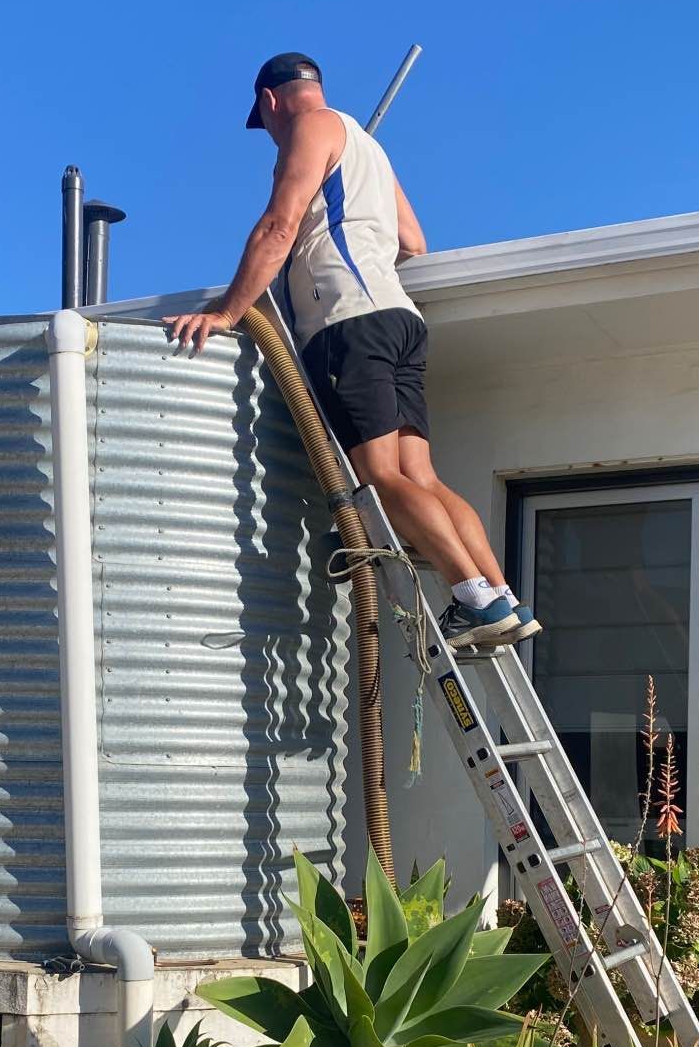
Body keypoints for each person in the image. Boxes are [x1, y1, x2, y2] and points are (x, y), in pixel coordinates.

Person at [166, 52, 540, 649]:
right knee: (421, 476)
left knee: (381, 477)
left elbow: (278, 226)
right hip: (398, 318)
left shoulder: (311, 130)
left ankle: (471, 597)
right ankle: (502, 598)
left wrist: (226, 313)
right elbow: (412, 241)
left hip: (348, 323)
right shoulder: (367, 145)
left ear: (270, 102)